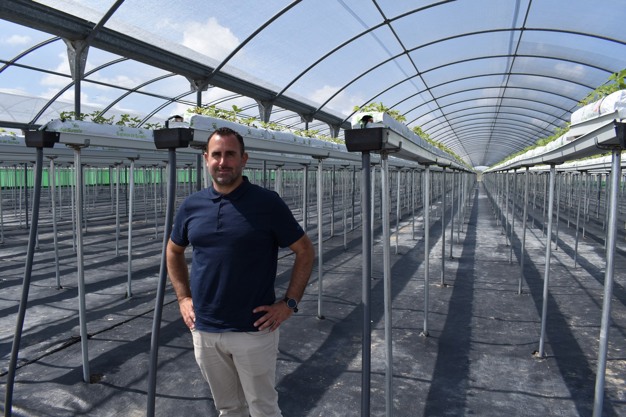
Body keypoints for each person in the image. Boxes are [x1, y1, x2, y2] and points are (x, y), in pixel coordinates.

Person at [166, 126, 315, 417]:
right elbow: (173, 250)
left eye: (230, 154)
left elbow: (305, 250)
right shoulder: (192, 206)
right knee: (228, 408)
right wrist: (183, 298)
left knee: (263, 408)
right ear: (206, 159)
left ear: (244, 159)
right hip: (205, 329)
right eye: (216, 155)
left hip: (253, 329)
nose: (223, 162)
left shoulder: (266, 203)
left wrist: (289, 303)